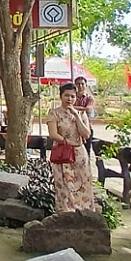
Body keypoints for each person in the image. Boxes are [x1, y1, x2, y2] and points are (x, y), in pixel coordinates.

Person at [46, 82, 94, 212]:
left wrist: (77, 115)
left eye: (72, 96)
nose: (69, 99)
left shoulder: (80, 114)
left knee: (82, 184)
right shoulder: (54, 113)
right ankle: (65, 215)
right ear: (61, 96)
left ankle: (84, 214)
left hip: (79, 154)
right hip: (63, 153)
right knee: (64, 186)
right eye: (66, 95)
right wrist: (68, 142)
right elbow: (53, 134)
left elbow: (86, 134)